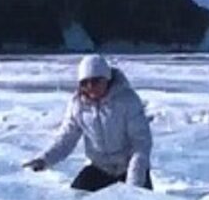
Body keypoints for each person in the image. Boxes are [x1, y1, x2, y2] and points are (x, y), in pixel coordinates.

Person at [24, 54, 153, 192]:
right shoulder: (78, 105)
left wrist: (133, 186)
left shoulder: (127, 101)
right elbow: (66, 139)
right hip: (100, 169)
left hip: (130, 168)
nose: (90, 87)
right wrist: (44, 160)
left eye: (96, 81)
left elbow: (140, 145)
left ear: (107, 79)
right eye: (85, 83)